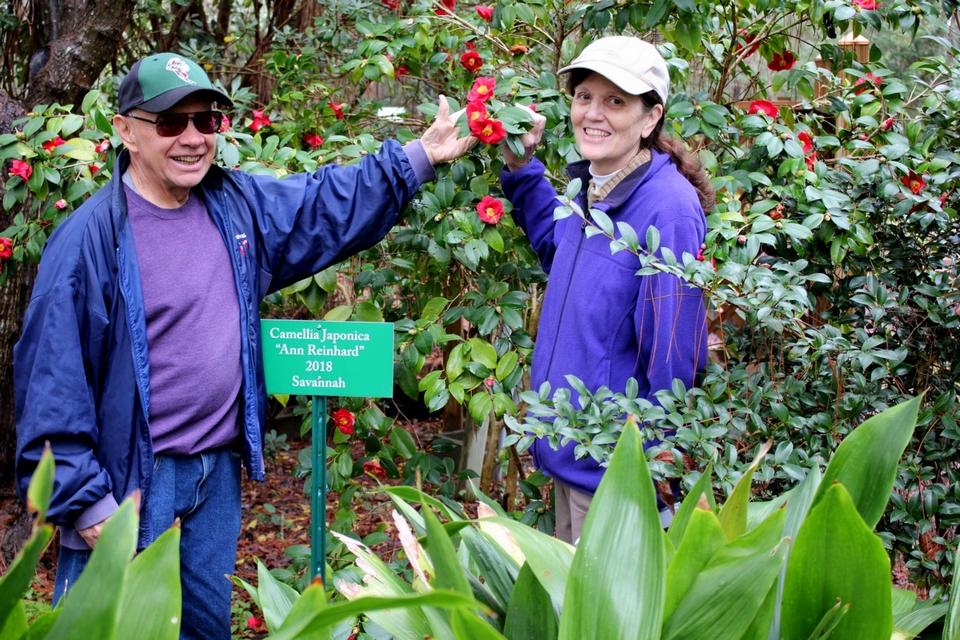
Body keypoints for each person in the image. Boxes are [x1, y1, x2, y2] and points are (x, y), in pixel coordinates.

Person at [14, 52, 472, 638]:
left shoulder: (233, 208)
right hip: (131, 485)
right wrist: (85, 503)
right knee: (116, 629)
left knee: (206, 628)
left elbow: (320, 205)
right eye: (171, 123)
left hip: (214, 479)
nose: (192, 139)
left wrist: (417, 158)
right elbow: (51, 382)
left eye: (206, 121)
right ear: (125, 130)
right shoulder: (88, 242)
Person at [500, 36, 712, 544]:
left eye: (615, 101)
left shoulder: (667, 208)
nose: (593, 114)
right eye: (584, 97)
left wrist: (657, 470)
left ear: (650, 117)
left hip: (611, 474)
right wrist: (521, 170)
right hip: (571, 455)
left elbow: (671, 359)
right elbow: (561, 250)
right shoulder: (596, 189)